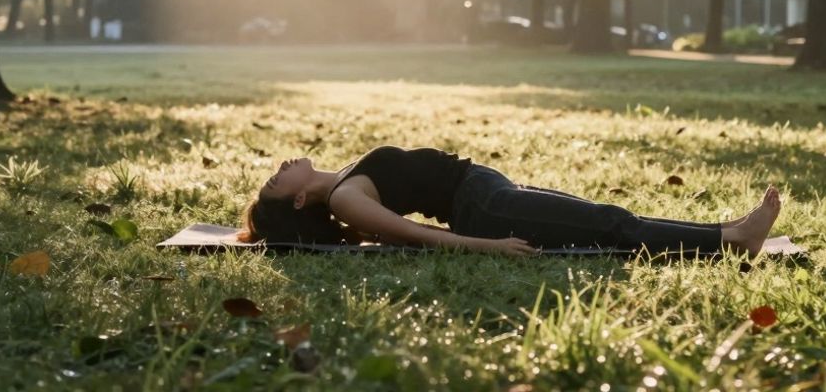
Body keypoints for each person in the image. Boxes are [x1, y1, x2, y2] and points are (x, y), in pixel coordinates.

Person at [238, 145, 782, 257]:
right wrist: (485, 246)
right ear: (301, 202)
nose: (278, 169)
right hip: (485, 211)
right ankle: (732, 238)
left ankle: (727, 231)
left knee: (605, 218)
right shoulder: (343, 200)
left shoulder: (344, 179)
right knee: (611, 224)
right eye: (273, 183)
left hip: (486, 189)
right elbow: (419, 235)